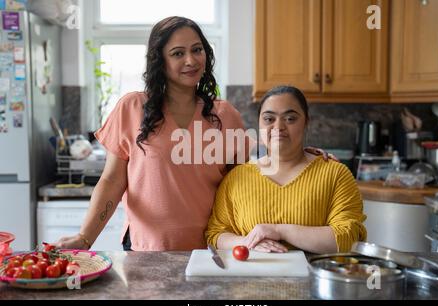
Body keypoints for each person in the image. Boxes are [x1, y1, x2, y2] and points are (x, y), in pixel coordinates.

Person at [55, 17, 332, 251]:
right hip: (146, 249)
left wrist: (302, 157)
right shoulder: (132, 107)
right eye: (177, 53)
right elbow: (112, 180)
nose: (191, 60)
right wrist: (84, 238)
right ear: (159, 61)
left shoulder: (226, 115)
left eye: (197, 50)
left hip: (211, 250)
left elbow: (247, 181)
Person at [205, 85, 367, 254]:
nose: (278, 126)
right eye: (269, 119)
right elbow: (215, 234)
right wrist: (248, 242)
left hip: (315, 279)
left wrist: (280, 231)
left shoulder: (336, 175)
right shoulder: (236, 178)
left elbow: (350, 238)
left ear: (306, 123)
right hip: (251, 280)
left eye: (290, 119)